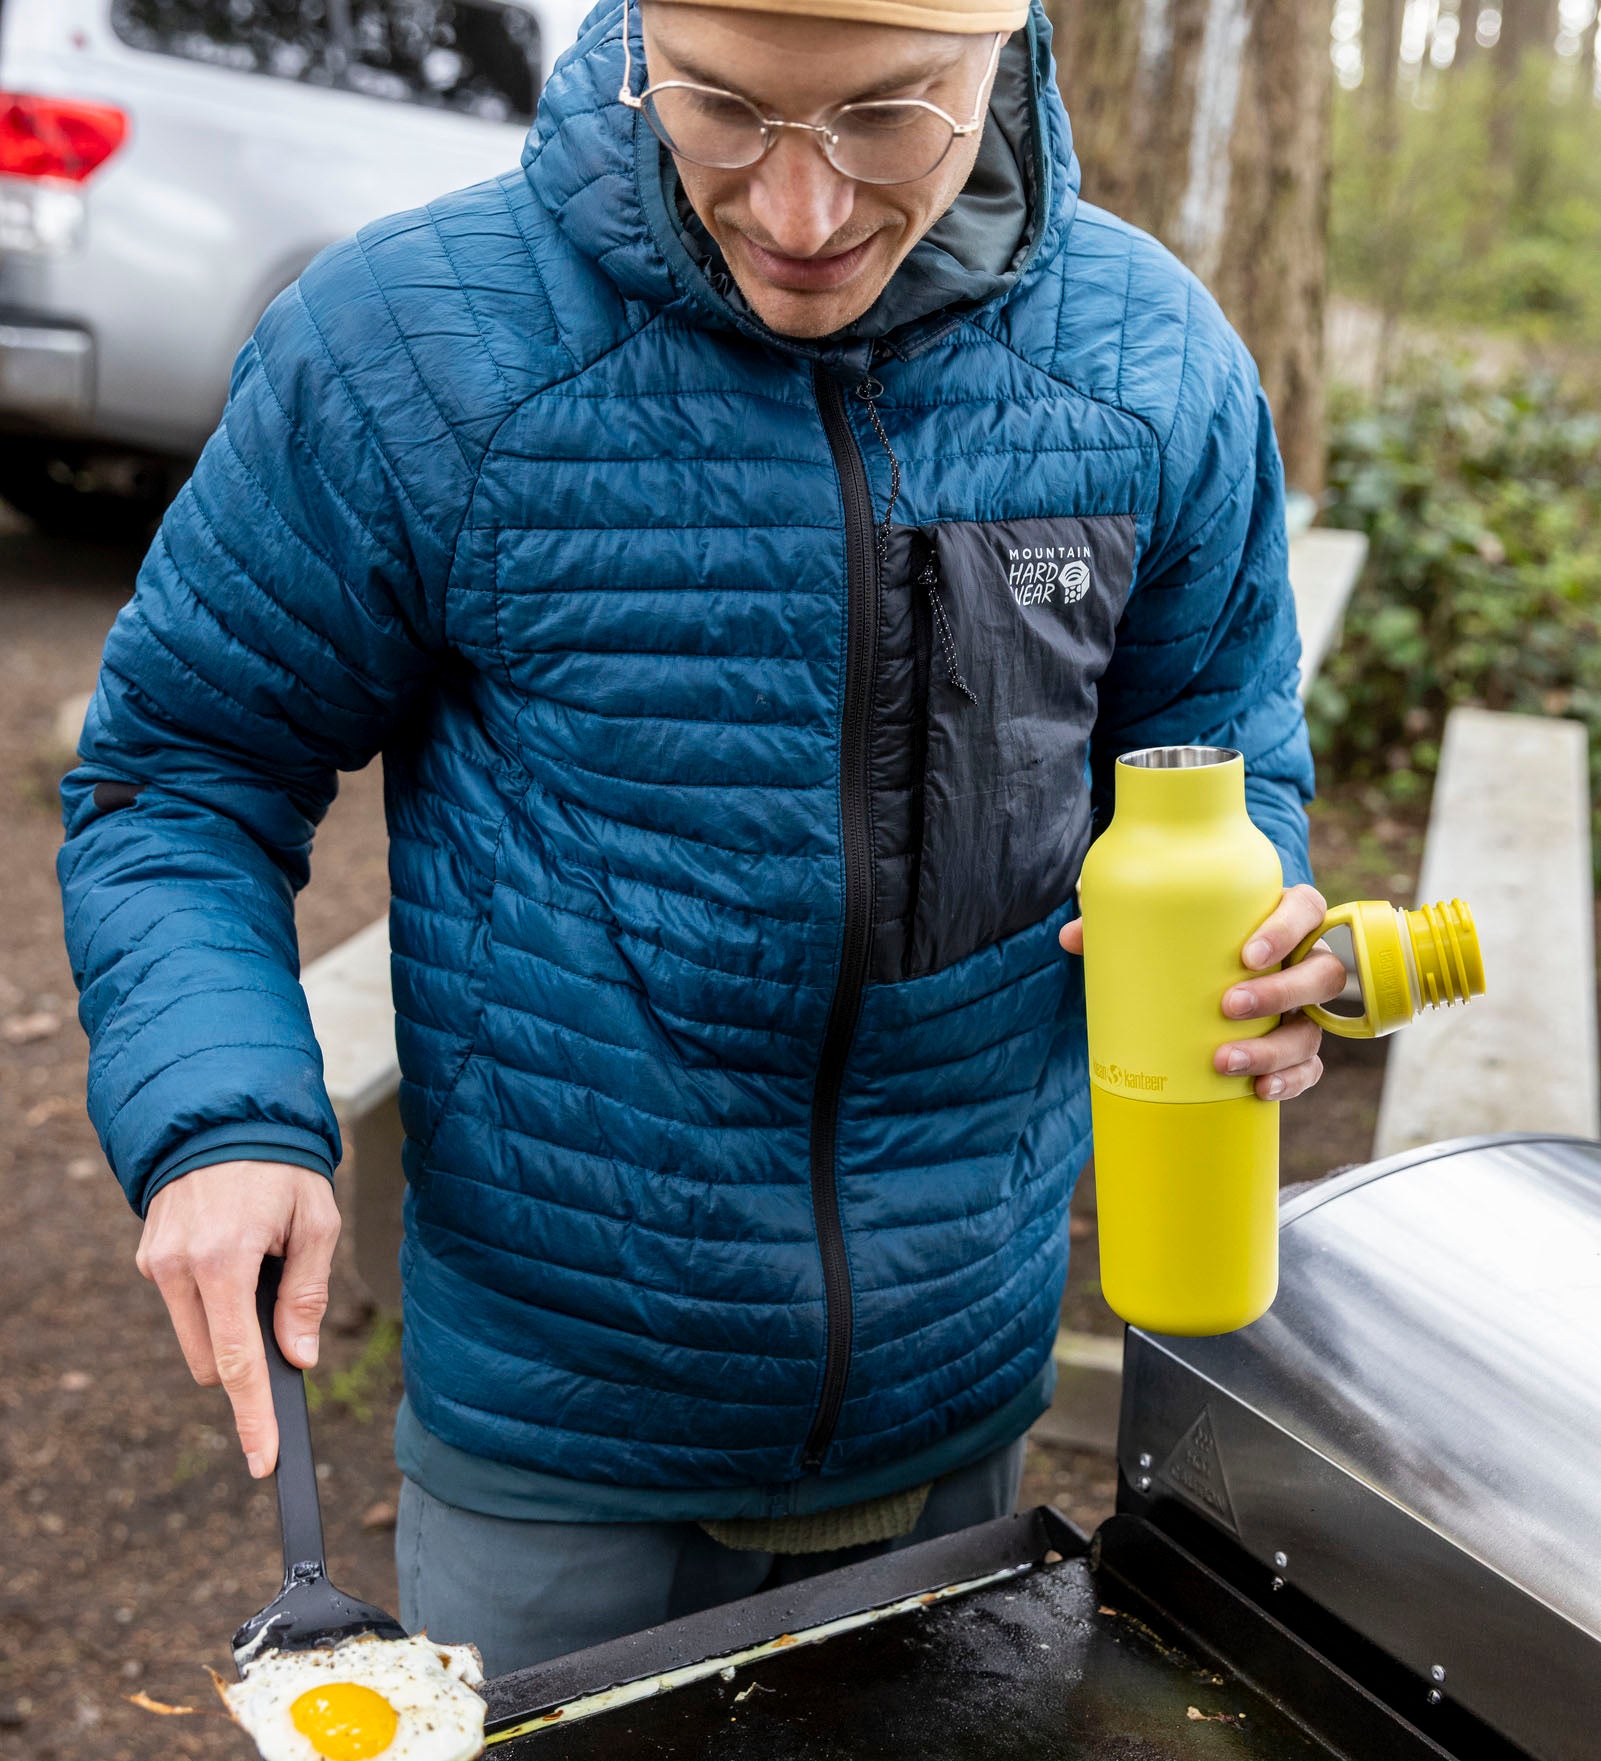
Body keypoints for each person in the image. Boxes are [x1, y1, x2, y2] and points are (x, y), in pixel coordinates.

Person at [59, 0, 1344, 1675]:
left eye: (886, 117)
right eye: (723, 111)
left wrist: (1260, 936)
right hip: (558, 1434)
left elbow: (1223, 765)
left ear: (1007, 56)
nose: (798, 214)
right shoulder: (408, 346)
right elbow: (182, 775)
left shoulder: (1150, 362)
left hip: (959, 1386)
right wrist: (223, 1118)